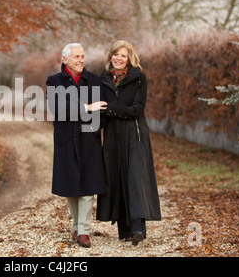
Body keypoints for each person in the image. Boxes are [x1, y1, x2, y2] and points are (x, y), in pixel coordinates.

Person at [96, 40, 161, 246]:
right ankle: (125, 229)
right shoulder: (103, 79)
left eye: (123, 55)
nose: (118, 58)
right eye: (115, 54)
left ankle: (137, 226)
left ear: (129, 58)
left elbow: (137, 109)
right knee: (117, 176)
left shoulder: (139, 78)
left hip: (135, 133)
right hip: (113, 135)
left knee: (135, 177)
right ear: (111, 56)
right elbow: (100, 112)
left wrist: (110, 109)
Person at [46, 43, 107, 248]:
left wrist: (96, 122)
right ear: (65, 60)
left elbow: (103, 111)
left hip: (89, 139)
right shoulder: (55, 81)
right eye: (76, 57)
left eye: (82, 56)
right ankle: (77, 226)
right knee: (71, 187)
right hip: (66, 140)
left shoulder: (95, 80)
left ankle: (83, 231)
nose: (81, 60)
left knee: (88, 186)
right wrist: (88, 107)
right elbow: (58, 109)